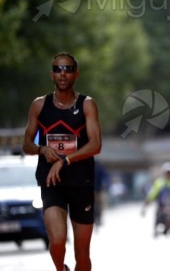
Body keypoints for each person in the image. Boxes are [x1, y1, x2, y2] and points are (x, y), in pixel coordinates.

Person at [22, 52, 102, 271]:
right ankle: (61, 269)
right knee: (57, 242)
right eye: (58, 69)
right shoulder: (39, 105)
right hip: (52, 184)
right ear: (52, 75)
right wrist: (42, 149)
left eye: (67, 69)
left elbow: (96, 144)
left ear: (76, 74)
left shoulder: (87, 105)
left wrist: (65, 160)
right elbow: (26, 144)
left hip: (81, 183)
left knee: (82, 254)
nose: (63, 73)